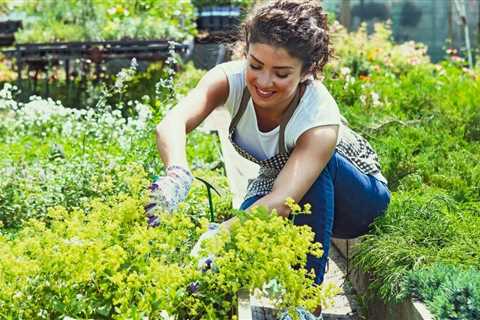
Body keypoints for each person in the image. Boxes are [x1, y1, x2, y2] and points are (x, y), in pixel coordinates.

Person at [146, 0, 390, 316]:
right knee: (237, 242)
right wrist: (177, 173)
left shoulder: (318, 115)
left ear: (307, 71)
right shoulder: (228, 80)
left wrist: (219, 235)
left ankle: (304, 302)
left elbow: (282, 201)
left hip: (359, 201)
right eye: (256, 65)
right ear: (245, 52)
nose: (263, 82)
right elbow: (171, 123)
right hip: (285, 184)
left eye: (281, 73)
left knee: (270, 207)